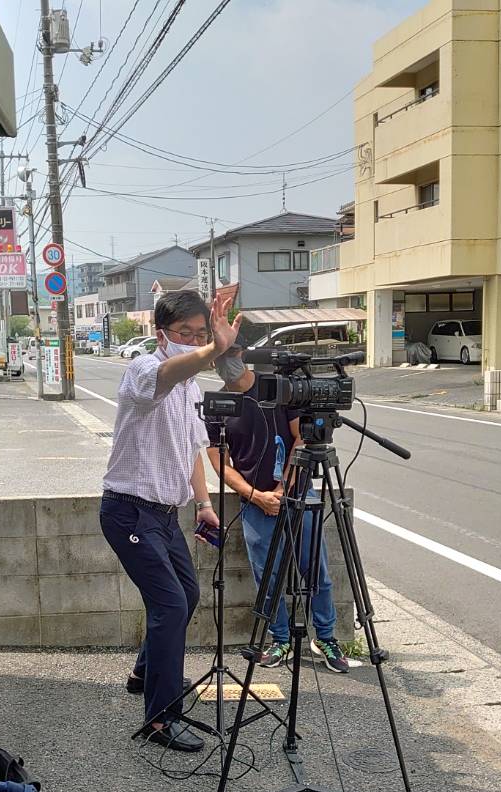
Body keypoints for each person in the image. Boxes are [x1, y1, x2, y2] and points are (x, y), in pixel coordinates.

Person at [100, 288, 242, 753]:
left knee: (188, 593)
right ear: (161, 334)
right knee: (171, 606)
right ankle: (162, 719)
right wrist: (212, 350)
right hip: (127, 511)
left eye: (201, 333)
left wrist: (203, 504)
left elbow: (192, 452)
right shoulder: (143, 370)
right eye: (185, 333)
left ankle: (146, 672)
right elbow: (166, 372)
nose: (194, 341)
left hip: (164, 514)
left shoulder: (190, 389)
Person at [205, 355, 350, 674]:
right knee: (267, 578)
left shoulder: (280, 388)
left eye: (231, 354)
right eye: (219, 357)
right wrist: (256, 496)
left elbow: (303, 436)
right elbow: (218, 460)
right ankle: (280, 639)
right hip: (254, 501)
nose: (226, 362)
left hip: (298, 492)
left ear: (242, 354)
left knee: (316, 571)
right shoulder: (218, 404)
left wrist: (284, 487)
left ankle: (325, 637)